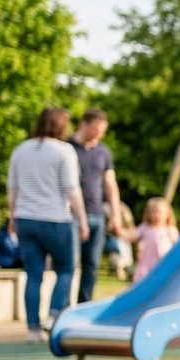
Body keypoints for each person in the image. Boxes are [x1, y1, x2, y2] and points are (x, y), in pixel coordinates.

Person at [8, 106, 89, 342]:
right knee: (65, 270)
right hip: (55, 219)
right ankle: (54, 315)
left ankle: (33, 329)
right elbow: (72, 190)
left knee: (33, 276)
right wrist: (82, 220)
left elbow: (12, 189)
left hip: (25, 219)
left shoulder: (20, 149)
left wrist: (12, 217)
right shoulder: (64, 151)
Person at [70, 108, 123, 303]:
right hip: (72, 216)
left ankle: (84, 305)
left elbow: (110, 185)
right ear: (84, 124)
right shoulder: (67, 147)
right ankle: (64, 310)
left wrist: (115, 215)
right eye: (95, 130)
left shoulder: (103, 151)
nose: (98, 135)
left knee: (91, 266)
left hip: (97, 215)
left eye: (102, 131)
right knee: (70, 264)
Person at [116, 198, 178, 282]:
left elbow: (178, 246)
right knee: (142, 281)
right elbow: (132, 236)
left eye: (158, 212)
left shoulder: (170, 230)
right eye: (151, 212)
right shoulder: (145, 228)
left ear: (167, 213)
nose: (154, 215)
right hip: (146, 264)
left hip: (163, 263)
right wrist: (119, 231)